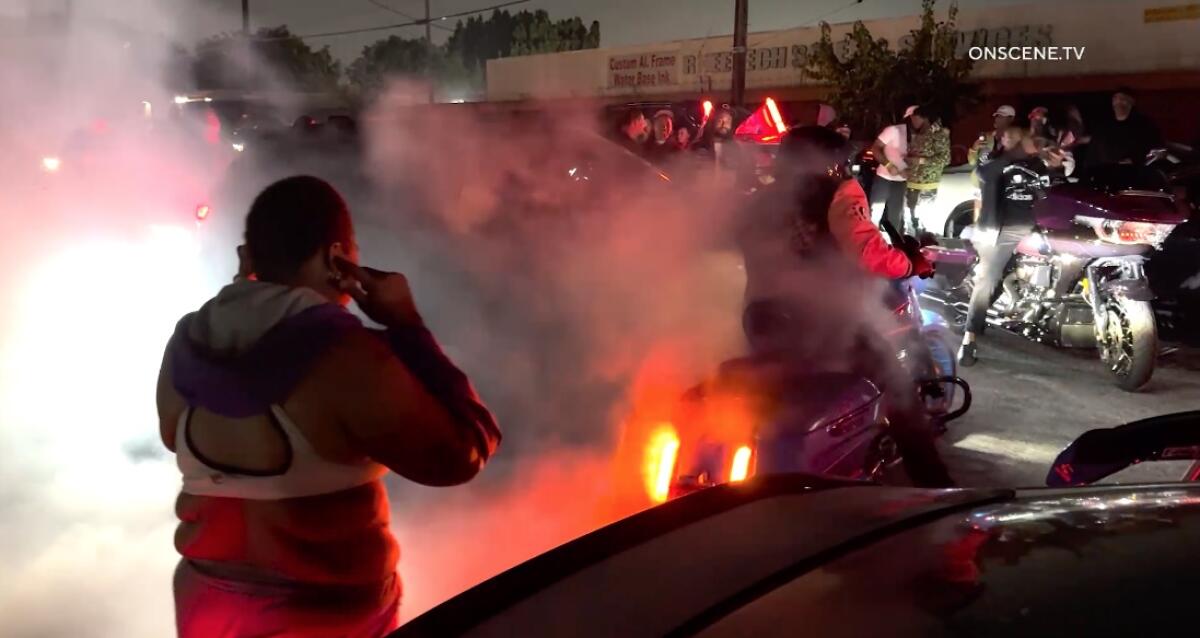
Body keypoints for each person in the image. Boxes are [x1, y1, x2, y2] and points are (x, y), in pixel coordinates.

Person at [160, 176, 501, 637]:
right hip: (325, 618)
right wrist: (407, 324)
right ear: (336, 256)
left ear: (248, 257)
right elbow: (465, 450)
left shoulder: (186, 343)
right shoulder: (348, 358)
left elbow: (172, 436)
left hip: (205, 606)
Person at [739, 126, 951, 488]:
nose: (844, 166)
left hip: (762, 321)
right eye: (839, 159)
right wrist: (910, 263)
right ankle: (938, 490)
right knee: (900, 388)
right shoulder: (838, 193)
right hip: (822, 325)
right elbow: (868, 252)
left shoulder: (760, 200)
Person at [959, 127, 1044, 366]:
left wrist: (1059, 164)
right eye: (1007, 137)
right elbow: (983, 173)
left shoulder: (1036, 165)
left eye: (1015, 137)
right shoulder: (994, 161)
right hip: (999, 229)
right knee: (987, 278)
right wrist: (1011, 155)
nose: (1008, 139)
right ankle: (969, 338)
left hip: (1031, 228)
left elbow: (1048, 188)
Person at [869, 105, 918, 234]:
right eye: (916, 117)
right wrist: (889, 165)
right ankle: (869, 246)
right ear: (910, 118)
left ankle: (893, 249)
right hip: (883, 179)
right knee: (875, 214)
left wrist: (910, 171)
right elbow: (875, 148)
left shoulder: (919, 136)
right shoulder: (893, 130)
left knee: (896, 218)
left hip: (901, 182)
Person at [1085, 87, 1162, 168]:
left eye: (1123, 99)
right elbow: (1091, 158)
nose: (1119, 101)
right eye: (1116, 99)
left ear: (1132, 102)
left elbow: (1158, 151)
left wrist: (1136, 162)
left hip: (1137, 175)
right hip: (1108, 177)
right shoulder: (1102, 128)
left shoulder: (1146, 126)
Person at [903, 106, 951, 235]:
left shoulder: (938, 133)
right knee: (910, 224)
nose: (912, 121)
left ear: (922, 117)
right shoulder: (918, 134)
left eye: (913, 118)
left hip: (927, 186)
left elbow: (945, 159)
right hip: (912, 183)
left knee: (924, 224)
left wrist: (920, 160)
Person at [967, 105, 1016, 222]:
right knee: (979, 216)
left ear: (1011, 119)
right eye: (997, 116)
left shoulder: (1013, 140)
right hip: (980, 182)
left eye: (1001, 117)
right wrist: (974, 148)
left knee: (997, 216)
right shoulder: (987, 137)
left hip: (1001, 184)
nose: (997, 119)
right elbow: (971, 161)